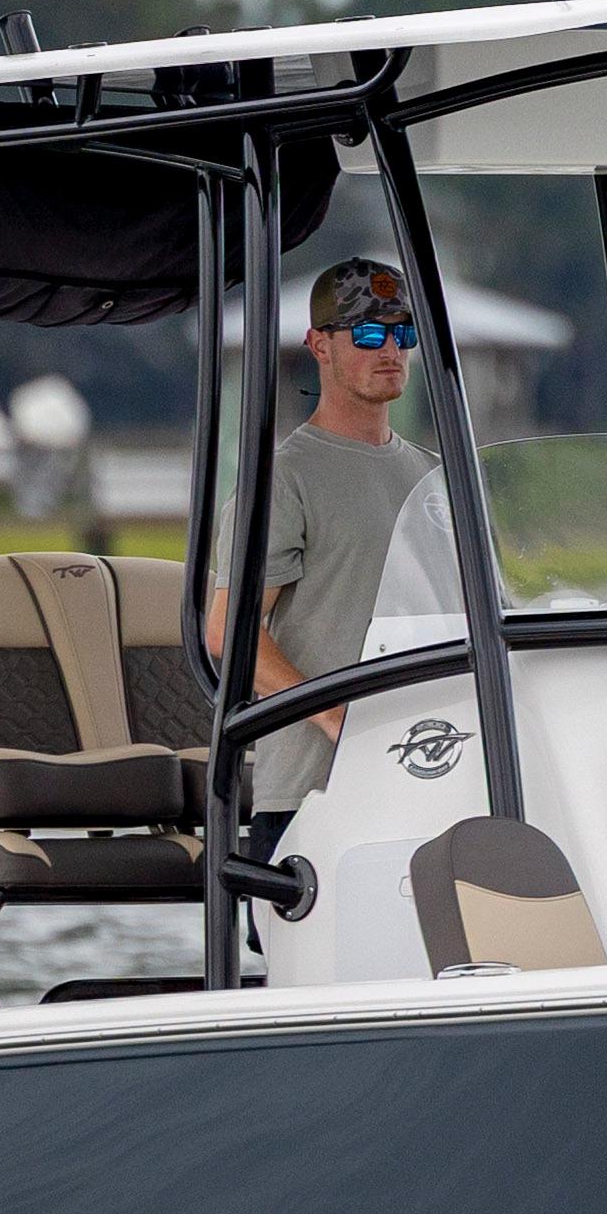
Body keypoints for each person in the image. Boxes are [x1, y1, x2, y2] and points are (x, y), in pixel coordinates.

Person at [210, 258, 436, 813]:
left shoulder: (436, 476)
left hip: (429, 775)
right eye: (367, 334)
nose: (390, 349)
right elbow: (227, 632)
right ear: (319, 346)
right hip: (313, 794)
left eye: (403, 333)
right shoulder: (283, 480)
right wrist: (334, 718)